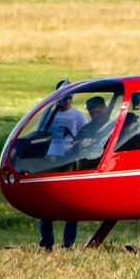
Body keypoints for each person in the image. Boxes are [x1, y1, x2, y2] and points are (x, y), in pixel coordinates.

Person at [39, 80, 86, 250]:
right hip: (50, 160)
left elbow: (82, 139)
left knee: (70, 205)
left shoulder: (79, 116)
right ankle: (46, 242)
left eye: (70, 95)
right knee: (46, 206)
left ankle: (68, 244)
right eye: (63, 95)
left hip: (68, 162)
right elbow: (40, 135)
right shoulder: (49, 115)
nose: (66, 99)